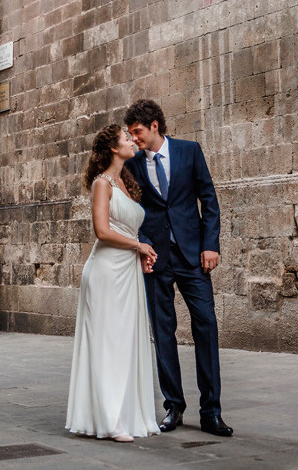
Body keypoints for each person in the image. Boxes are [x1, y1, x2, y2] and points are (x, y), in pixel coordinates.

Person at [123, 99, 233, 437]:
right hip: (156, 259)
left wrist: (211, 244)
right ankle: (174, 406)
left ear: (154, 125)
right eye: (130, 134)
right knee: (163, 333)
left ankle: (211, 412)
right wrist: (142, 246)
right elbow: (133, 209)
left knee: (206, 327)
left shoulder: (189, 151)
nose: (133, 138)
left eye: (137, 131)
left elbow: (208, 199)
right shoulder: (133, 165)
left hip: (192, 256)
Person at [66, 124, 160, 442]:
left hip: (127, 270)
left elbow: (128, 229)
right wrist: (139, 247)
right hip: (106, 271)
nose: (133, 140)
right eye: (125, 138)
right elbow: (103, 231)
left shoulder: (126, 183)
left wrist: (140, 252)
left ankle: (128, 414)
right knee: (108, 342)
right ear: (113, 149)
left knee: (126, 341)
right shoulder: (101, 183)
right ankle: (109, 419)